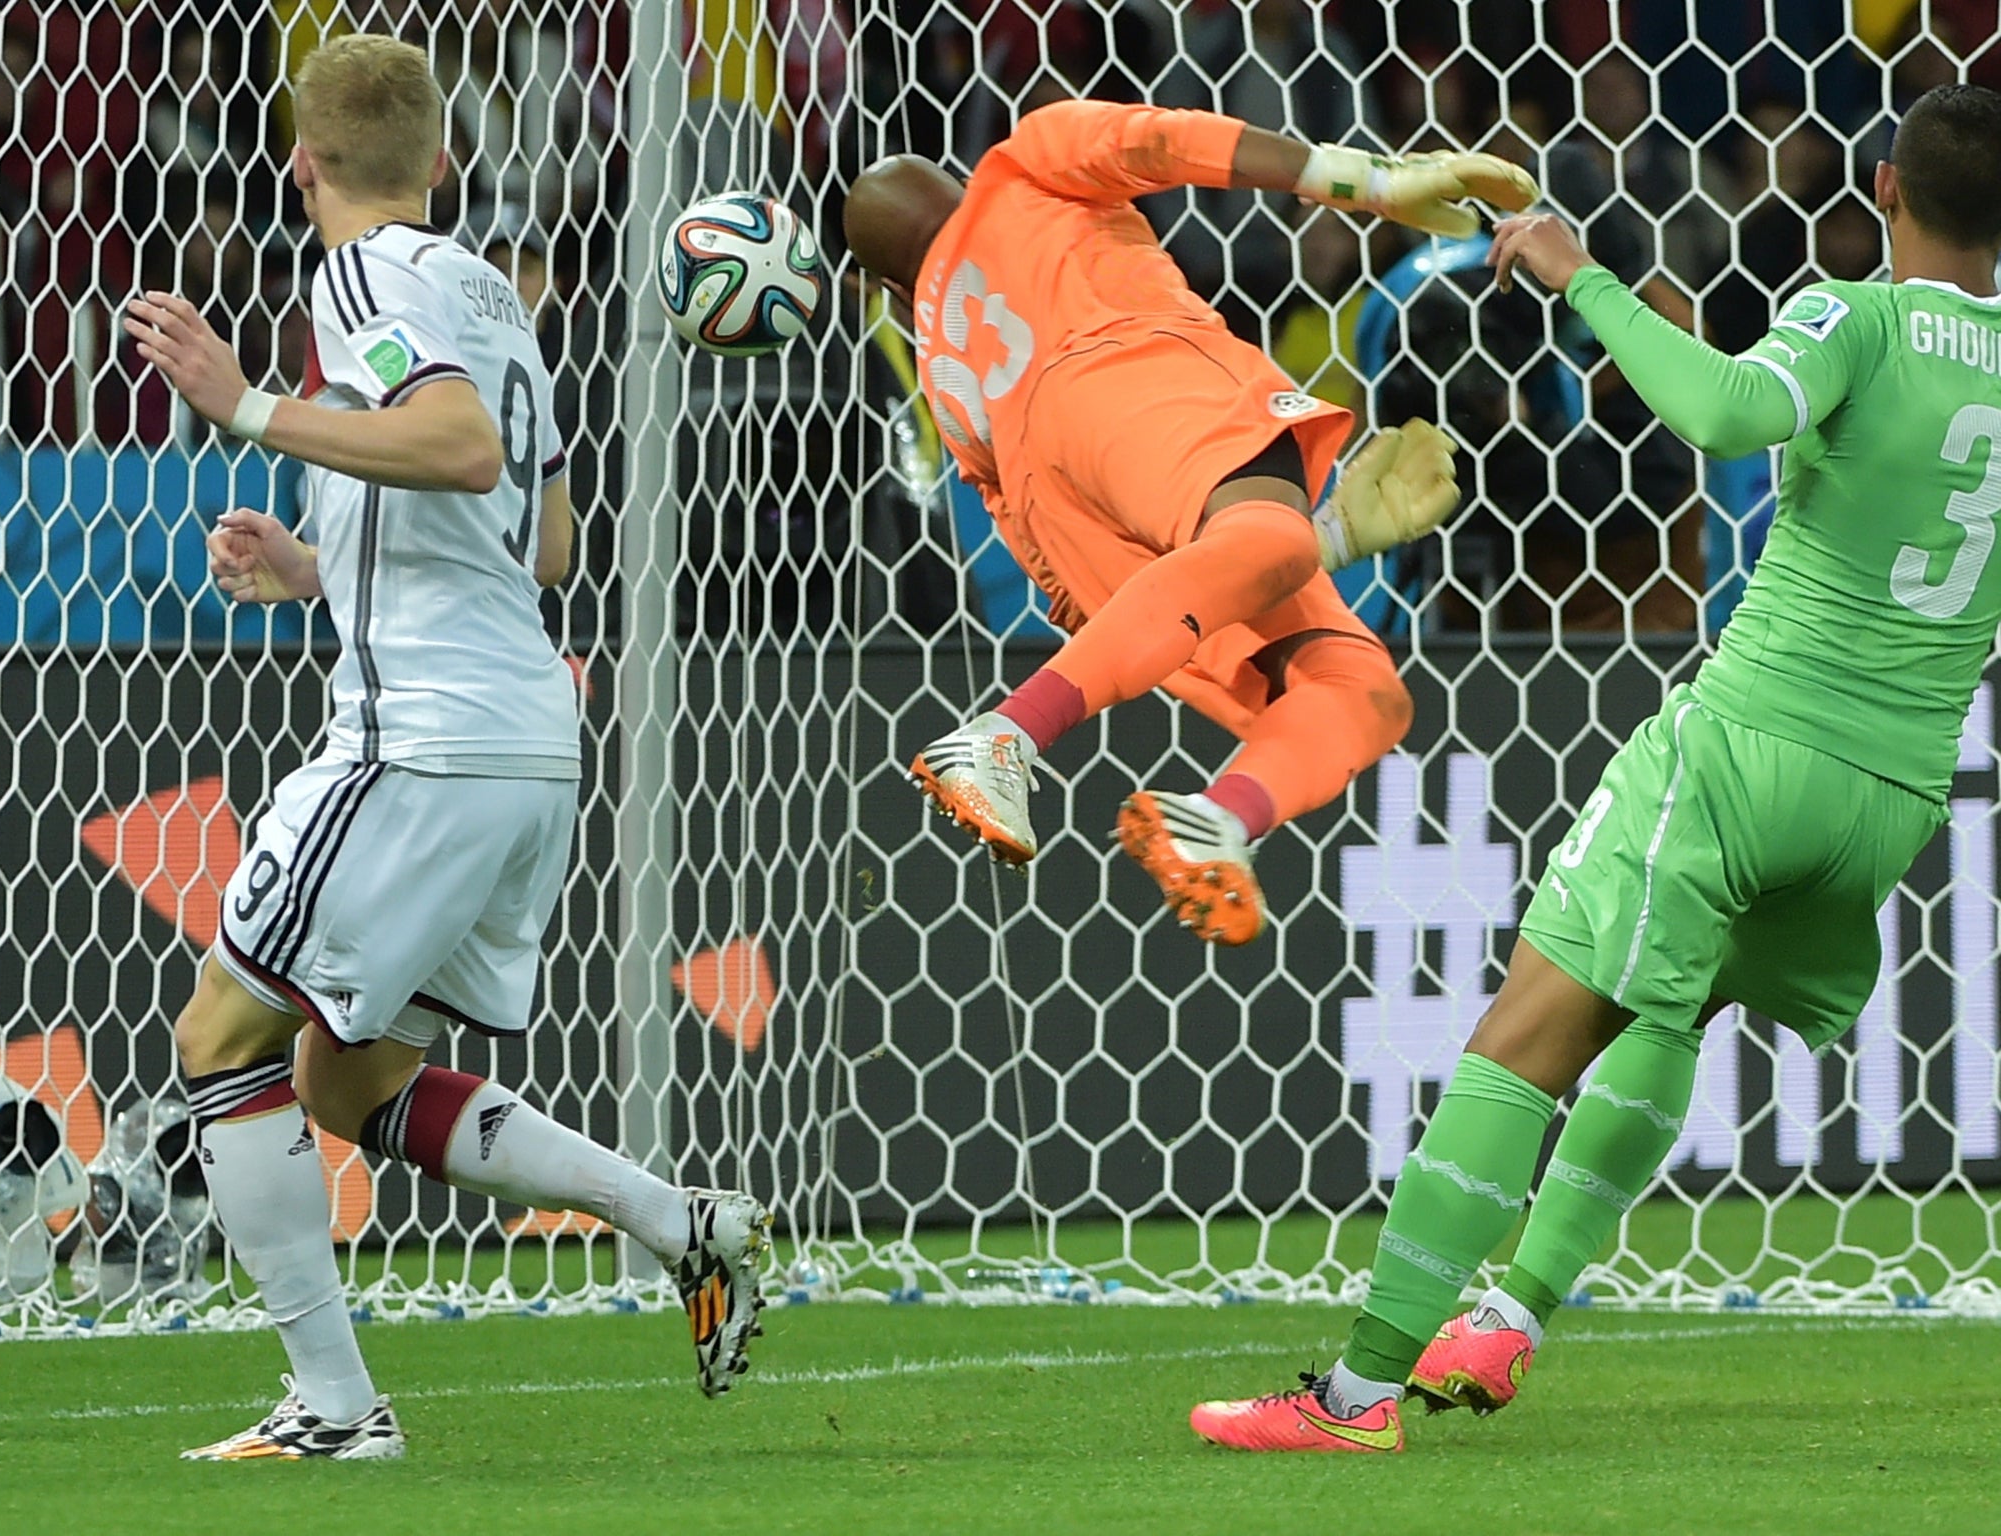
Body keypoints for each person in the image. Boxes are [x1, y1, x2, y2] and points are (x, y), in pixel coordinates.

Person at [1191, 82, 2001, 1453]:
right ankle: (1507, 1321)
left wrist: (1585, 279)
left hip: (1756, 744)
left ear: (1883, 190)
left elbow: (1730, 414)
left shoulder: (1851, 315)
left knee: (1528, 1027)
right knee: (1663, 1013)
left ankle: (1356, 1394)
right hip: (1895, 793)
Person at [121, 34, 770, 1462]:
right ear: (443, 161)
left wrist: (240, 406)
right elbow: (540, 540)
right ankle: (681, 1220)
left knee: (221, 1038)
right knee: (342, 1085)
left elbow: (461, 446)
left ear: (301, 164)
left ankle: (337, 1410)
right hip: (529, 739)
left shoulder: (358, 278)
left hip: (422, 745)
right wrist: (321, 567)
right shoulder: (491, 291)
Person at [843, 100, 1536, 944]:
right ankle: (1006, 734)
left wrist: (1125, 618)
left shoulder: (942, 374)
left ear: (891, 287)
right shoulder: (1018, 170)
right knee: (1283, 550)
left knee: (1363, 688)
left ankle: (1217, 820)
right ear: (954, 187)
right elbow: (1165, 141)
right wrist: (1371, 182)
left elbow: (1033, 543)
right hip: (1124, 365)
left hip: (1072, 514)